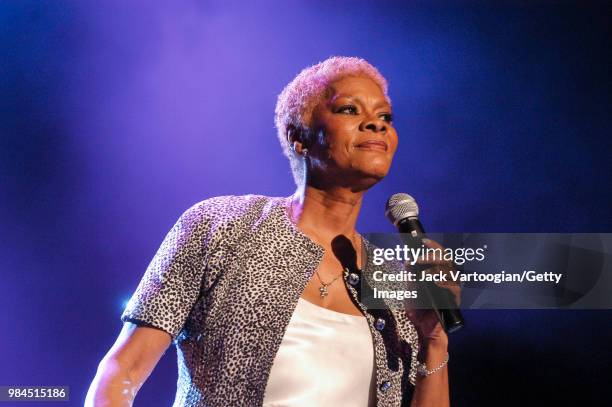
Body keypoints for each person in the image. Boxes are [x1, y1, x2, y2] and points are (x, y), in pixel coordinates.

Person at [85, 56, 458, 407]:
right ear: (300, 136)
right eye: (349, 109)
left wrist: (433, 341)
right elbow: (123, 371)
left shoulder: (393, 284)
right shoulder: (221, 225)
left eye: (385, 116)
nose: (376, 124)